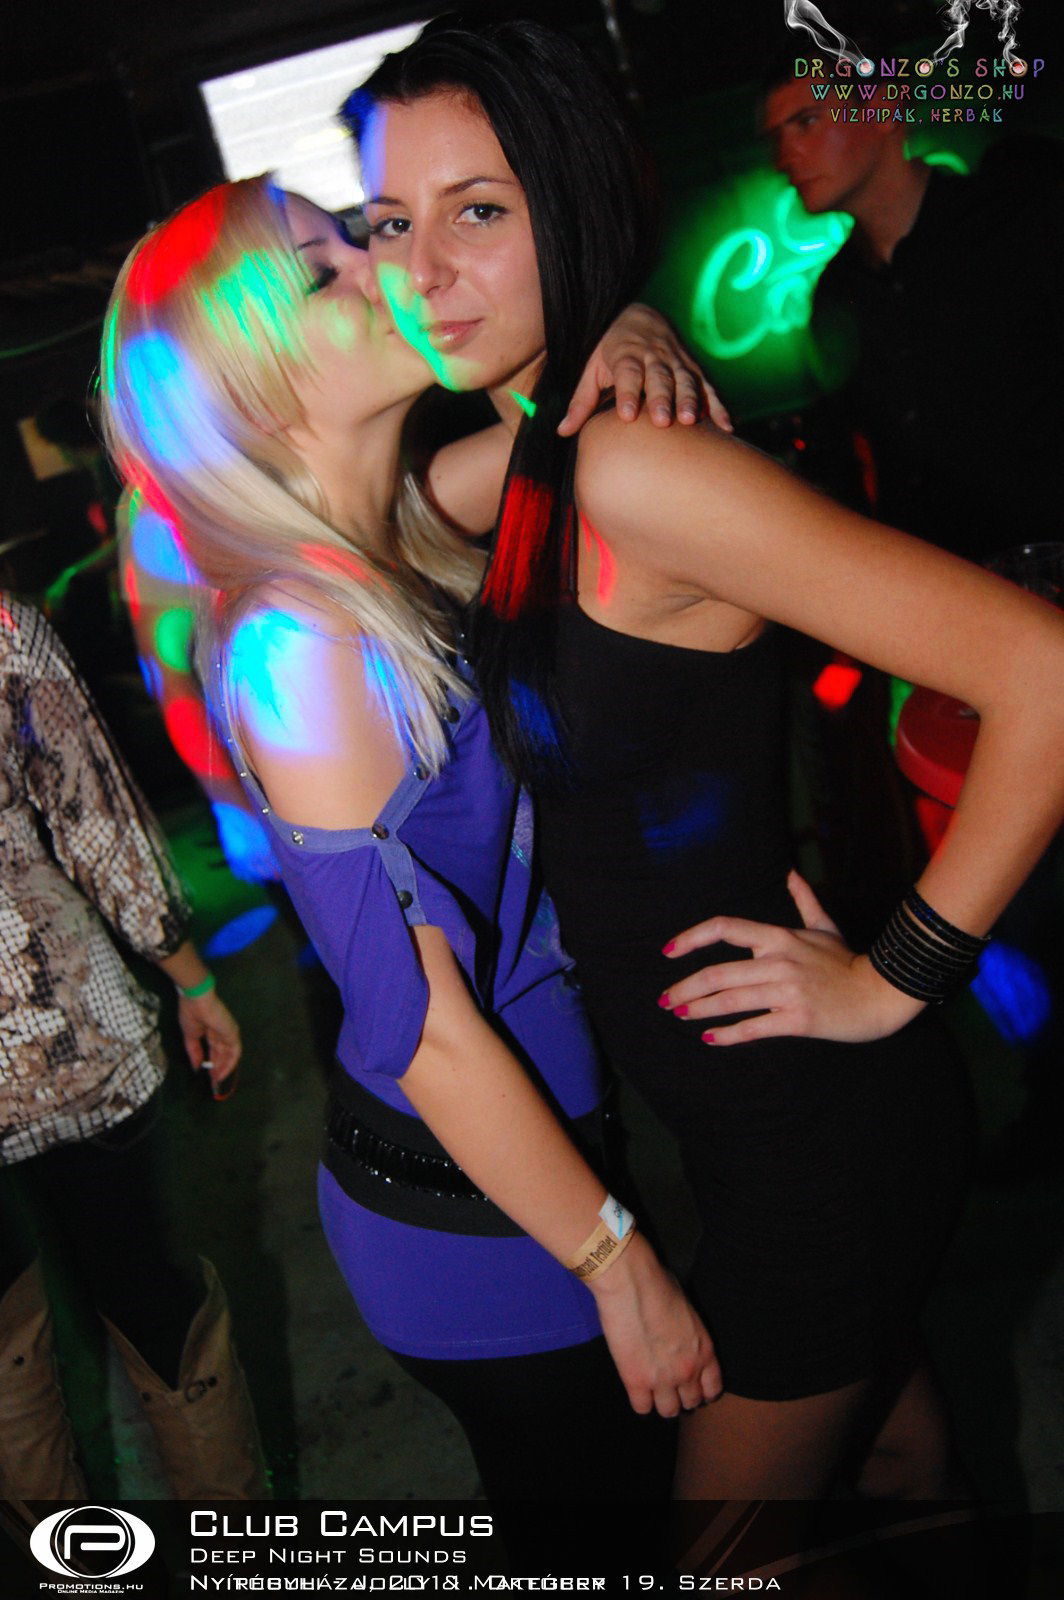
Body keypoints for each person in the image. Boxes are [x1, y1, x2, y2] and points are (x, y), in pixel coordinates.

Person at [342, 15, 1064, 1502]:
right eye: (390, 222)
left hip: (811, 1136)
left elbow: (1044, 673)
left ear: (570, 201)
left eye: (477, 212)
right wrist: (619, 315)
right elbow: (369, 524)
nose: (423, 270)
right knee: (899, 1466)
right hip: (736, 1121)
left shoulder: (637, 467)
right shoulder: (550, 450)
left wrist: (896, 975)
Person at [99, 175, 727, 1513]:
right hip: (481, 1224)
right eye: (323, 271)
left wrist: (620, 327)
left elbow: (570, 424)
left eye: (357, 235)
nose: (383, 266)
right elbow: (425, 1030)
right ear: (249, 387)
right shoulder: (300, 644)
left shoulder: (389, 536)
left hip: (536, 1159)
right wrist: (617, 1264)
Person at [0, 594, 261, 1520]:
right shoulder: (3, 631)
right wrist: (191, 979)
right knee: (151, 1294)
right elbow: (94, 820)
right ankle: (237, 1556)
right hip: (64, 1030)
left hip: (63, 1034)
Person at [760, 50, 1064, 565]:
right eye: (776, 137)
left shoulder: (1018, 222)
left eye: (807, 122)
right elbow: (856, 461)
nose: (786, 156)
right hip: (940, 582)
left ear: (883, 109)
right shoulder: (835, 294)